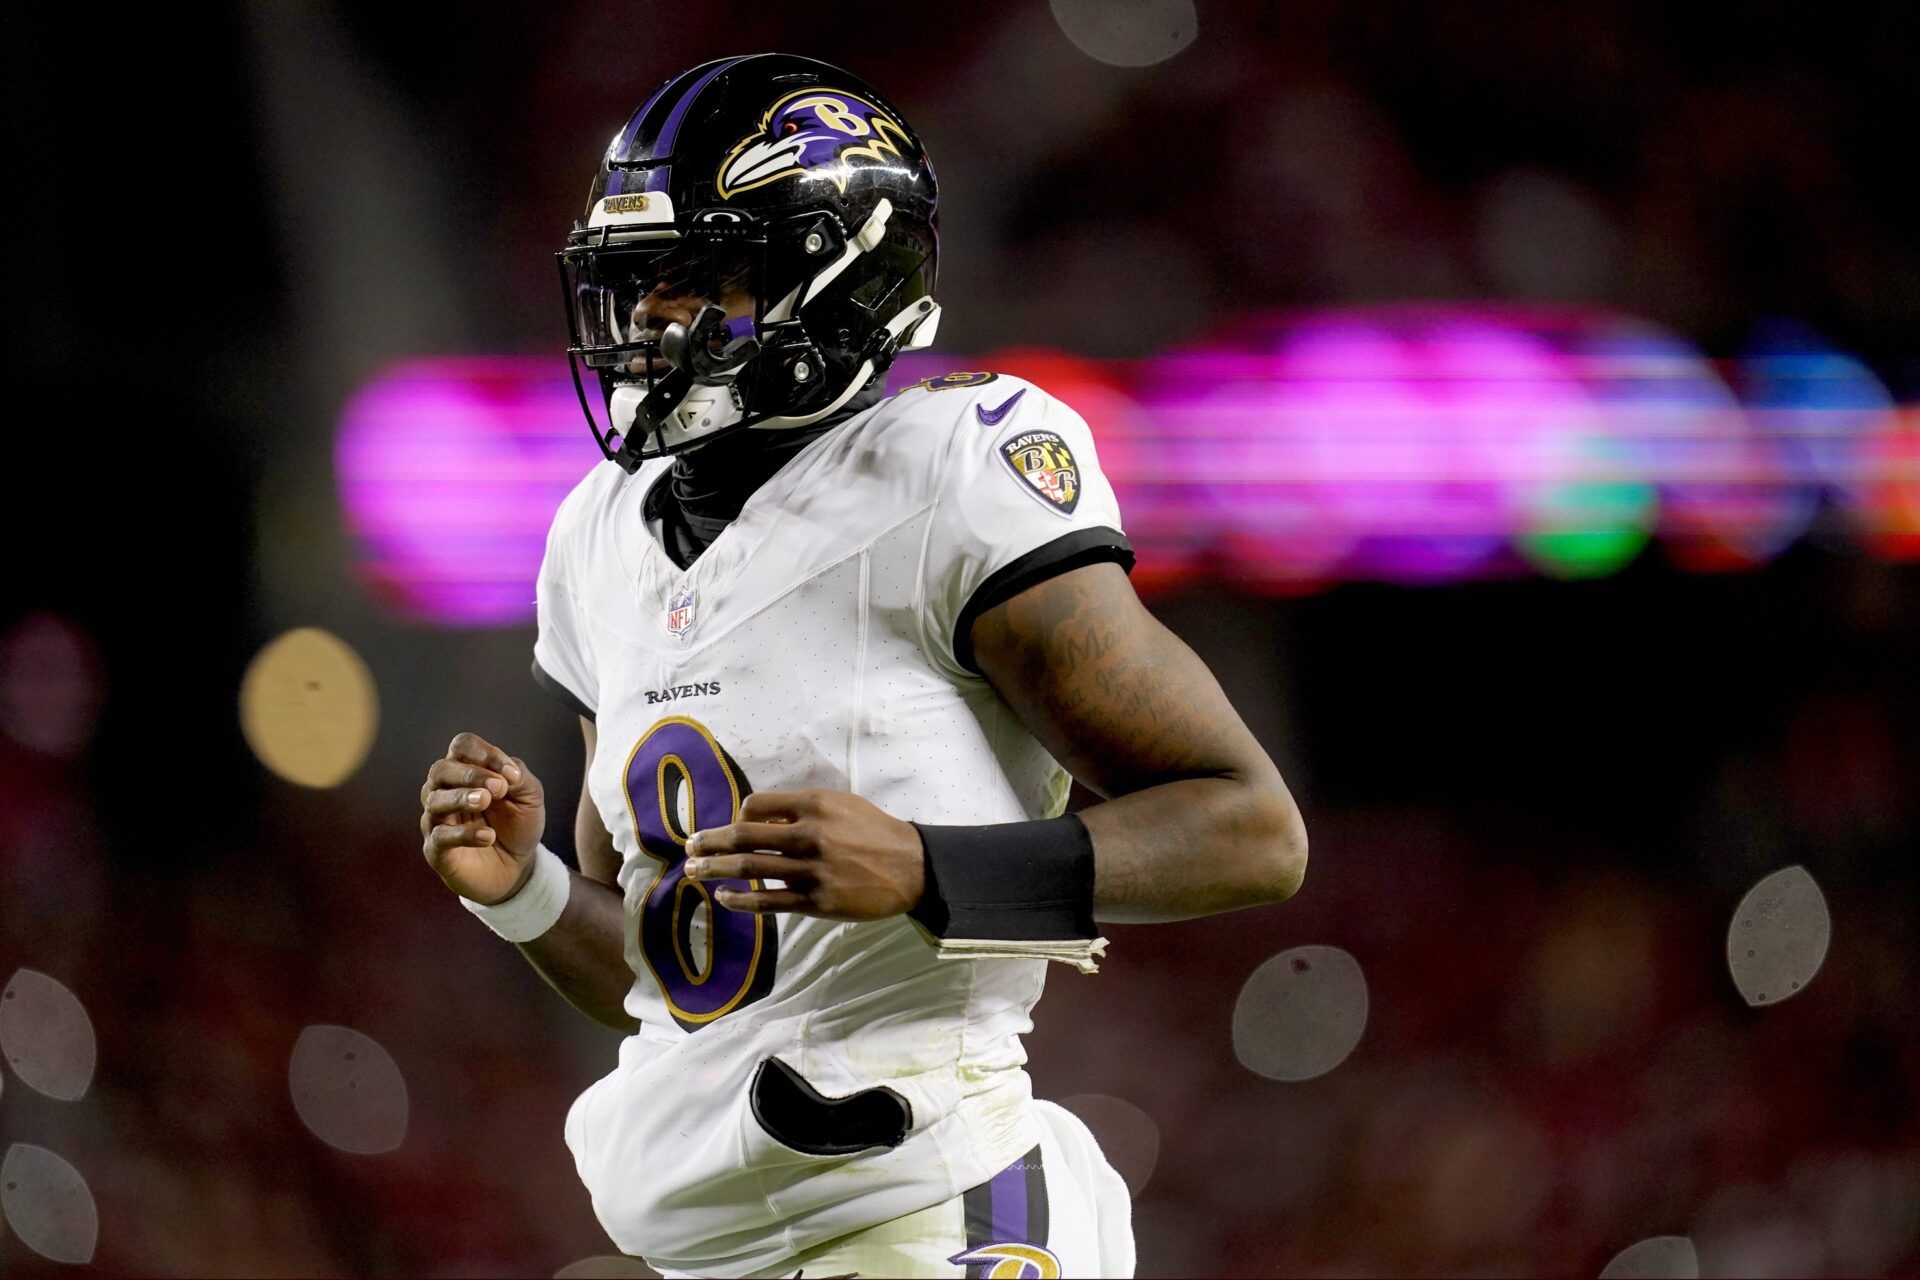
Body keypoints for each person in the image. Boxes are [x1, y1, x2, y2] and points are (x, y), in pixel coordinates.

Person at [417, 53, 1307, 1280]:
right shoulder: (595, 537)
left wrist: (926, 866)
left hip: (931, 1207)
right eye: (639, 284)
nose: (654, 322)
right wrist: (516, 891)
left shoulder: (947, 471)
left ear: (844, 276)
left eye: (705, 279)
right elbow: (669, 975)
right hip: (719, 1246)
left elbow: (1253, 829)